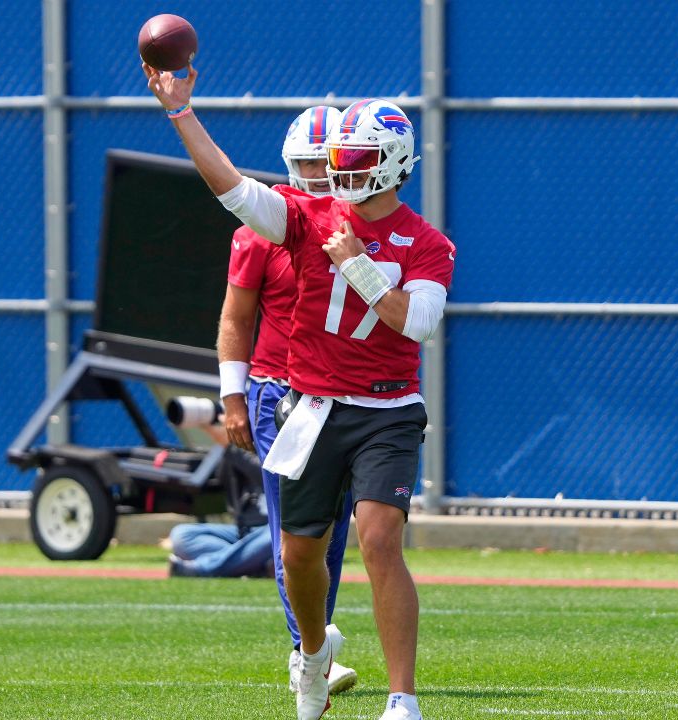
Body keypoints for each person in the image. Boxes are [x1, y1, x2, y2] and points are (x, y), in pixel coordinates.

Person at [145, 64, 454, 720]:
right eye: (340, 156)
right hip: (313, 408)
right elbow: (232, 189)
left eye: (357, 157)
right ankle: (312, 653)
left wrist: (357, 265)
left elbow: (418, 323)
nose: (341, 168)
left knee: (378, 539)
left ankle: (403, 698)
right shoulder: (308, 216)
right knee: (299, 553)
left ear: (394, 163)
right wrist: (180, 113)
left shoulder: (427, 243)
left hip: (388, 409)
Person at [218, 106, 357, 696]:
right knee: (294, 532)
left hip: (346, 393)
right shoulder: (263, 227)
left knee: (336, 530)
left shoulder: (359, 223)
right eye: (306, 163)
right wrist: (233, 396)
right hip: (280, 391)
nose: (316, 175)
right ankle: (310, 651)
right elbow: (236, 317)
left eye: (324, 163)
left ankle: (313, 644)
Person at [167, 447, 273, 579]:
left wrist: (232, 449)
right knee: (183, 534)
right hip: (245, 531)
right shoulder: (241, 447)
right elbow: (222, 479)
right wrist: (227, 447)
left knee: (278, 533)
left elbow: (269, 478)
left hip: (273, 532)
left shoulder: (279, 446)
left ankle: (202, 568)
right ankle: (254, 565)